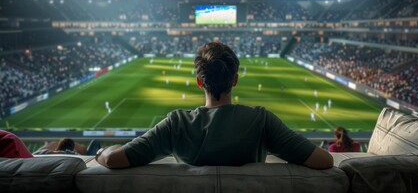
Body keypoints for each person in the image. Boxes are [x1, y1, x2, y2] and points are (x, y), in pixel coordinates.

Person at [96, 42, 333, 169]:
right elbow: (325, 161)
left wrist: (100, 151)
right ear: (235, 79)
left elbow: (112, 160)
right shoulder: (262, 120)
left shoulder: (176, 123)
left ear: (199, 82)